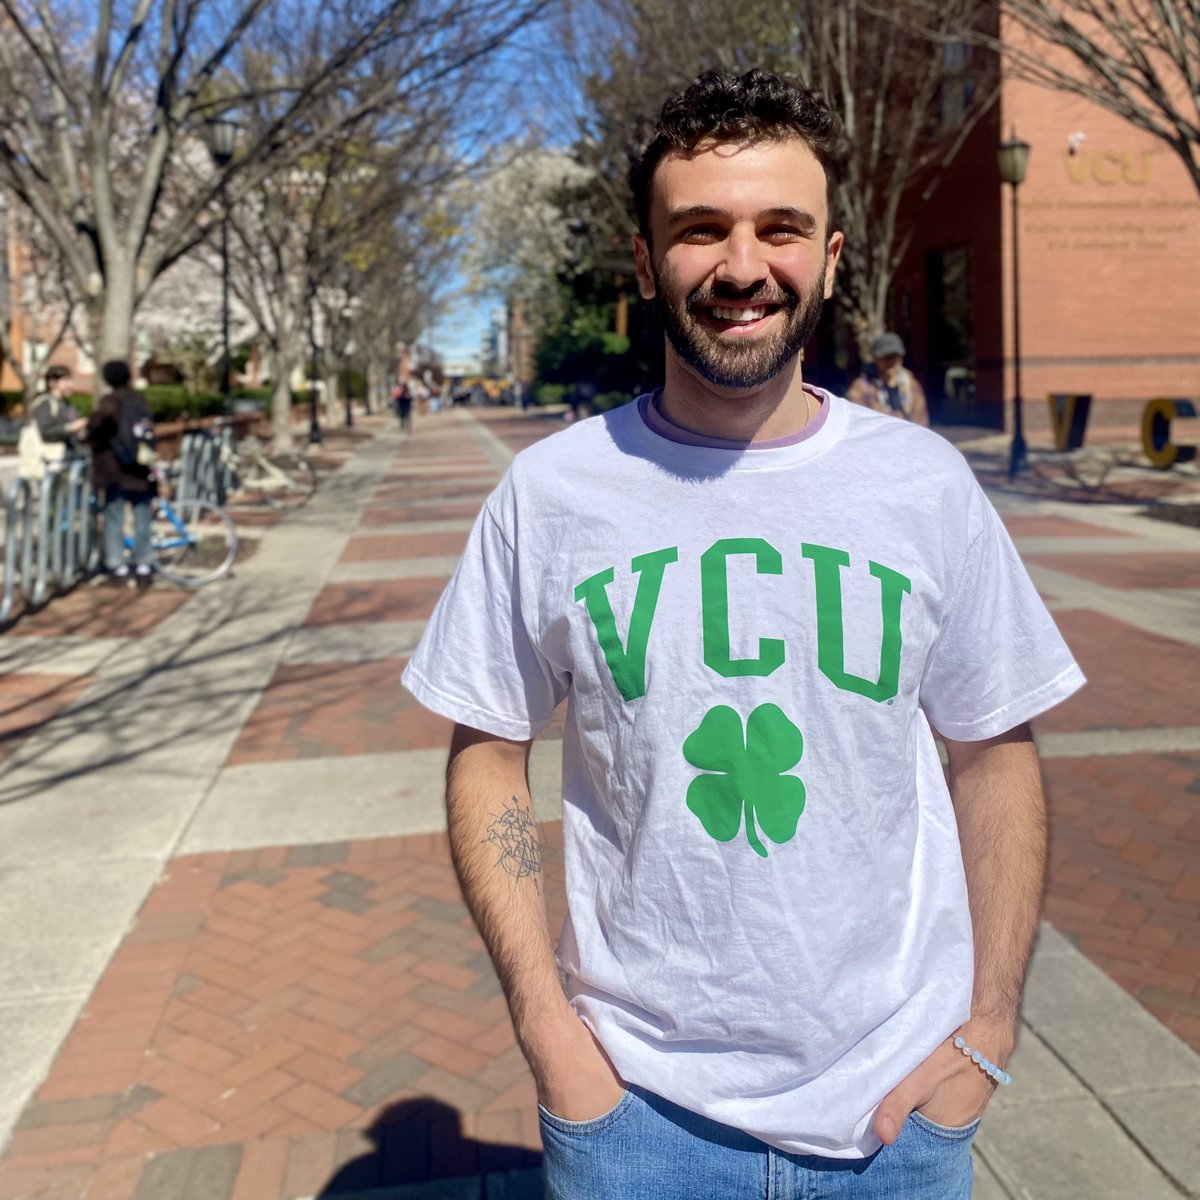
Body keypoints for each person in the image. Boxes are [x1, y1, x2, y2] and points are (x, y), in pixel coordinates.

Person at [403, 69, 1083, 1198]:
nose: (741, 266)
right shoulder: (551, 493)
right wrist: (547, 1028)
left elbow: (993, 751)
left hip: (897, 1114)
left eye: (781, 228)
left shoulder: (923, 484)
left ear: (830, 252)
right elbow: (486, 749)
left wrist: (990, 1030)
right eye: (700, 230)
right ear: (644, 261)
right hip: (636, 1118)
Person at [86, 360, 157, 588]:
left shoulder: (110, 402)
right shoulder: (140, 401)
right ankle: (144, 563)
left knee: (114, 516)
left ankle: (117, 565)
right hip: (140, 467)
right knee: (142, 517)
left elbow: (97, 426)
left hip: (115, 469)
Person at [17, 365, 87, 484]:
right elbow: (46, 432)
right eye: (66, 380)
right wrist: (72, 427)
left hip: (66, 458)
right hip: (49, 460)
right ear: (52, 382)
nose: (70, 385)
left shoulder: (66, 404)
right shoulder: (45, 403)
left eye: (70, 380)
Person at [847, 331, 930, 426]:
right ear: (876, 358)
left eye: (895, 356)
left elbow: (921, 423)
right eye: (886, 357)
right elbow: (855, 422)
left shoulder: (912, 386)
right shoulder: (862, 387)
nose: (891, 362)